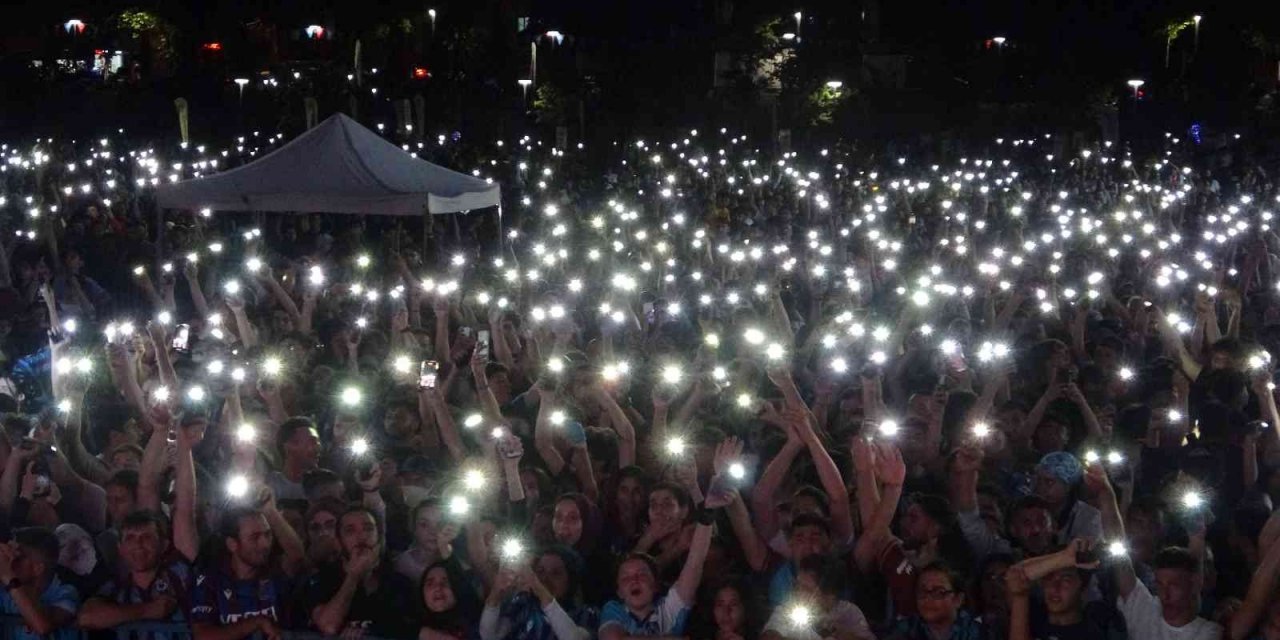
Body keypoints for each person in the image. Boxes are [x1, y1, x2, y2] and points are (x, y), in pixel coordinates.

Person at [1087, 462, 1222, 640]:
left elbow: (1195, 567)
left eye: (1174, 585)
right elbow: (1117, 545)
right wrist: (1106, 493)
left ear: (1193, 585)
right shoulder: (1144, 609)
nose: (1165, 594)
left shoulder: (1207, 633)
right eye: (1160, 584)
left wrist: (1196, 535)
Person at [598, 497, 717, 638]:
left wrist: (707, 514)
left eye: (642, 574)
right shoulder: (613, 609)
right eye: (625, 578)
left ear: (655, 585)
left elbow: (695, 563)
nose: (634, 580)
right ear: (619, 592)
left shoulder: (668, 608)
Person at [189, 498, 307, 640]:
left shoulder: (275, 571)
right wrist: (255, 623)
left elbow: (297, 556)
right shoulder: (211, 579)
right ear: (232, 544)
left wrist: (270, 511)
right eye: (255, 537)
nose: (264, 544)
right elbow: (203, 635)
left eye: (268, 534)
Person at [303, 506, 416, 637]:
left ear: (379, 538)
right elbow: (328, 626)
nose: (361, 536)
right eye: (350, 531)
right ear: (339, 542)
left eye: (368, 529)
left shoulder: (400, 584)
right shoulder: (321, 580)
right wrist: (353, 577)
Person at [78, 510, 193, 633]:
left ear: (164, 545)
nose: (138, 544)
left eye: (147, 537)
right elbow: (86, 618)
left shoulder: (180, 577)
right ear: (120, 548)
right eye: (130, 538)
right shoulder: (115, 587)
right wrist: (148, 610)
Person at [1006, 539, 1126, 640]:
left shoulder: (1094, 632)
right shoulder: (1033, 618)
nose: (1055, 587)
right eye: (1049, 577)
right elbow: (1015, 574)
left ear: (1082, 585)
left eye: (1066, 579)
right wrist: (1064, 558)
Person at [480, 545, 597, 640]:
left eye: (555, 573)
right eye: (540, 571)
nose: (545, 579)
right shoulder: (523, 602)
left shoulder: (586, 613)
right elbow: (489, 635)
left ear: (571, 579)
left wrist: (538, 587)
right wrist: (497, 590)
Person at [762, 554, 874, 640]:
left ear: (830, 595)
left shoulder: (849, 612)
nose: (796, 592)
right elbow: (769, 635)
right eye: (797, 585)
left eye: (805, 589)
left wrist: (840, 633)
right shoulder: (787, 611)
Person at [0, 527, 81, 640]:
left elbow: (42, 626)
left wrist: (8, 577)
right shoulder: (6, 590)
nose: (11, 560)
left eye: (18, 558)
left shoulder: (65, 593)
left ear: (37, 568)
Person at [886, 562, 987, 640]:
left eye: (938, 593)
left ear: (958, 599)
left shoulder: (976, 632)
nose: (928, 599)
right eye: (922, 592)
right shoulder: (905, 628)